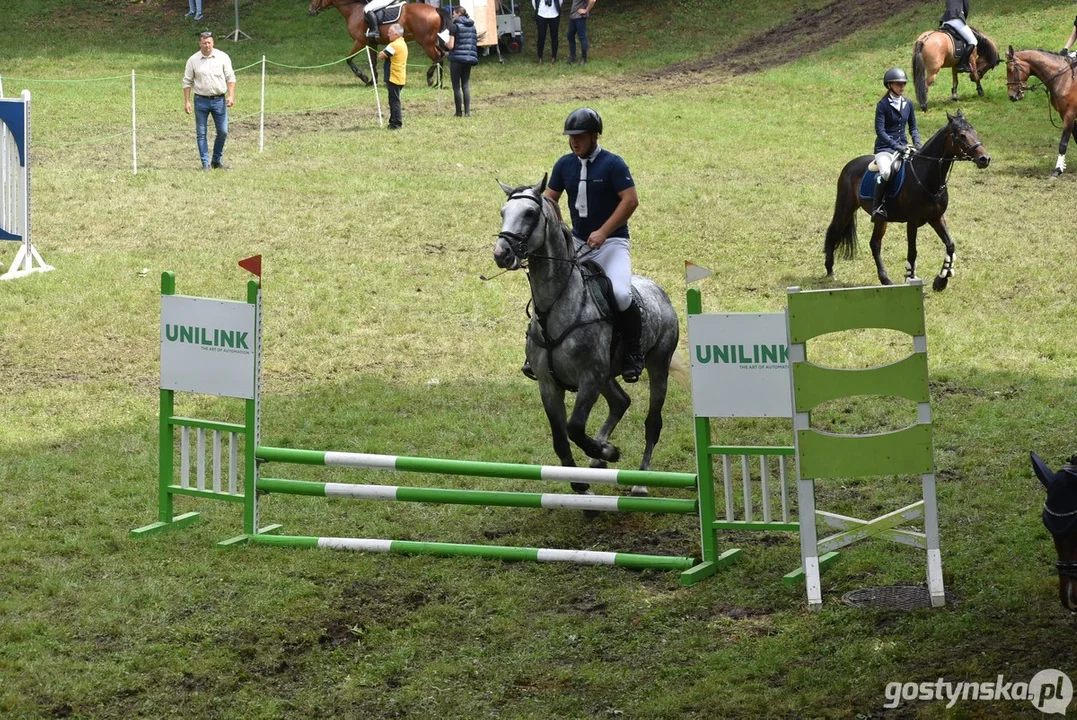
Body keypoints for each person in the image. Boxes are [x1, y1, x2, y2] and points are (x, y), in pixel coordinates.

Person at [521, 108, 644, 383]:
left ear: (594, 136)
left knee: (622, 295)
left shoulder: (613, 164)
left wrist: (603, 231)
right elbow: (550, 200)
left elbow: (630, 200)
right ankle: (536, 353)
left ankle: (633, 353)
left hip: (612, 244)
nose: (574, 142)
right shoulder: (565, 165)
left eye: (580, 137)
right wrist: (560, 231)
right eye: (571, 137)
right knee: (551, 293)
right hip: (578, 242)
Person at [871, 68, 921, 221]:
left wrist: (918, 143)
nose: (902, 87)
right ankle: (877, 206)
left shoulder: (908, 104)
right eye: (898, 84)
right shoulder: (883, 105)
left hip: (904, 146)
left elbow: (913, 127)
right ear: (889, 85)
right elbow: (880, 131)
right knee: (886, 172)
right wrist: (895, 146)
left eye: (903, 84)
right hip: (885, 149)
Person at [183, 31, 236, 171]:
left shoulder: (222, 57)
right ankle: (205, 163)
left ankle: (216, 161)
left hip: (219, 100)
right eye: (204, 43)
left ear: (213, 43)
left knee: (223, 131)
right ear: (199, 43)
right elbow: (187, 81)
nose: (207, 45)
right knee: (201, 133)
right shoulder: (193, 60)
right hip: (200, 100)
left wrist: (231, 95)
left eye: (209, 42)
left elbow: (230, 77)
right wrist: (187, 101)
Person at [446, 6, 479, 118]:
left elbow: (451, 45)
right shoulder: (472, 26)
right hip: (469, 58)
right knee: (465, 85)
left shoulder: (454, 26)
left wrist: (445, 43)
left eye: (454, 13)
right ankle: (468, 112)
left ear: (459, 13)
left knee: (456, 86)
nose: (453, 15)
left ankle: (458, 112)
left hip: (457, 59)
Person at [378, 24, 408, 129]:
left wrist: (381, 52)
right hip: (400, 75)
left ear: (396, 34)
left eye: (390, 32)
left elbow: (382, 56)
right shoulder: (403, 43)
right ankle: (392, 120)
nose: (388, 34)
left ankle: (397, 124)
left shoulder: (394, 45)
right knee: (394, 100)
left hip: (393, 76)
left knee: (394, 101)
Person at [940, 0, 976, 72]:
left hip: (945, 21)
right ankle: (962, 64)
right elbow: (966, 8)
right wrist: (963, 19)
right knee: (973, 41)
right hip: (957, 19)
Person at [532, 0, 562, 65]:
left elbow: (560, 1)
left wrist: (557, 7)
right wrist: (537, 9)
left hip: (554, 13)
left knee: (554, 36)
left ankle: (554, 57)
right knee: (541, 37)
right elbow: (534, 1)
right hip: (541, 13)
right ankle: (540, 57)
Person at [567, 0, 595, 65]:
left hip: (580, 17)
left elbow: (592, 1)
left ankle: (584, 58)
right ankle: (572, 56)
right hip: (573, 16)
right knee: (570, 35)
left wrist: (586, 10)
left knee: (582, 36)